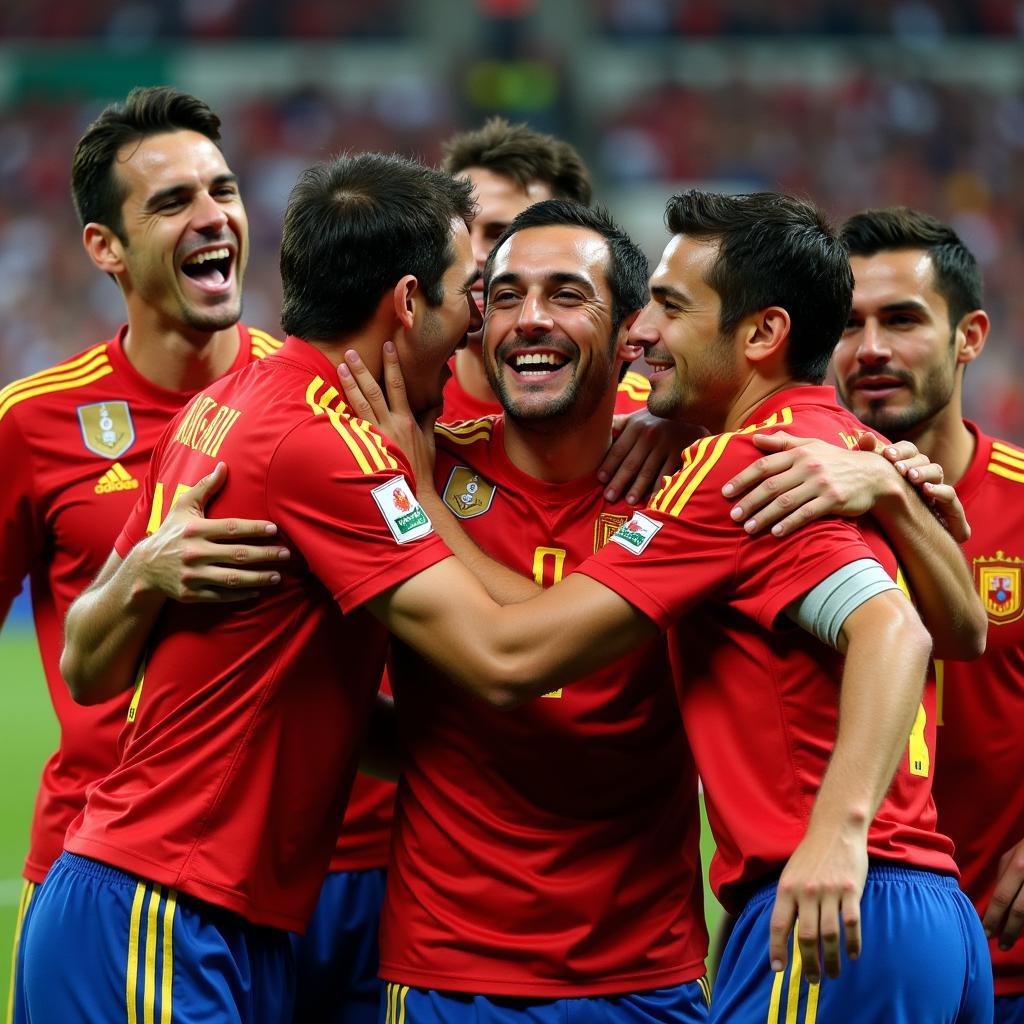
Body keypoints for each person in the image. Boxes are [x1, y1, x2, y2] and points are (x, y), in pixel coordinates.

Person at [334, 190, 991, 1023]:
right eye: (502, 295)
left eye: (661, 310)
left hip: (794, 913)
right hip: (451, 964)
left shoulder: (742, 468)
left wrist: (840, 829)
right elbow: (960, 630)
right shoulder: (816, 450)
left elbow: (897, 629)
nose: (648, 333)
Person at [26, 152, 479, 1023]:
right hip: (164, 905)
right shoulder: (320, 444)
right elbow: (499, 656)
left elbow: (312, 696)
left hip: (213, 911)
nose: (477, 321)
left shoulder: (227, 402)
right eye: (472, 291)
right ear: (411, 302)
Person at [380, 200, 712, 1022]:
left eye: (567, 295)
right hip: (446, 970)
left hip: (645, 970)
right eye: (505, 296)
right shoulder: (402, 464)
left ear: (632, 330)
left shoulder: (697, 482)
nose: (530, 320)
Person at [0, 85, 283, 1024]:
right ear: (104, 248)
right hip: (106, 872)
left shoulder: (311, 398)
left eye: (223, 189)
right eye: (171, 202)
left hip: (298, 885)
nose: (212, 216)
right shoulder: (34, 421)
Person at [832, 206, 1024, 1023]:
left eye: (902, 319)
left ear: (969, 336)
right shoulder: (784, 504)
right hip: (845, 951)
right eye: (848, 325)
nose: (870, 347)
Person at [441, 118, 663, 505]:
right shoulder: (403, 406)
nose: (472, 258)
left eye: (501, 235)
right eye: (459, 233)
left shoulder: (652, 419)